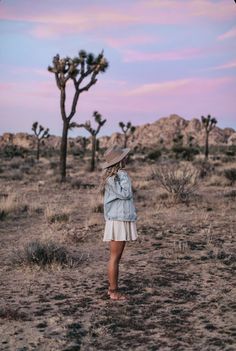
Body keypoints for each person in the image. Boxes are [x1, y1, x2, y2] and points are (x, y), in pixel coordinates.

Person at [100, 145, 138, 301]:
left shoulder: (111, 177)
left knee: (115, 256)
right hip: (118, 220)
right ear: (120, 160)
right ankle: (113, 291)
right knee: (115, 257)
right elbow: (126, 193)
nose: (127, 157)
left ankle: (112, 290)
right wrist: (124, 176)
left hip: (117, 218)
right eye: (124, 156)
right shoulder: (119, 175)